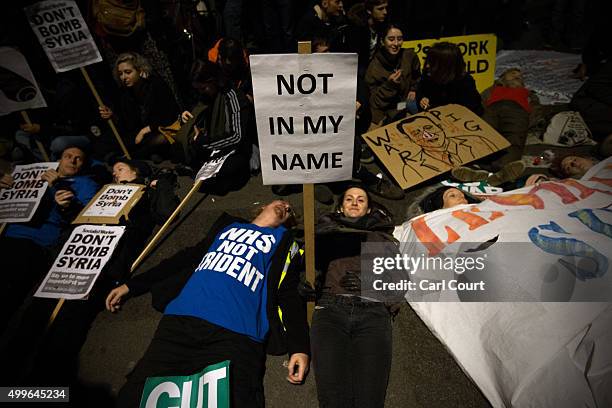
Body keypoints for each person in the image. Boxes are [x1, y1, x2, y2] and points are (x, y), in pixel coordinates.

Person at [105, 200, 310, 407]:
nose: (285, 206)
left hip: (235, 334)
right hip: (180, 324)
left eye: (289, 211)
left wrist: (299, 348)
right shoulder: (229, 227)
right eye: (282, 203)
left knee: (230, 399)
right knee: (139, 396)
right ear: (263, 206)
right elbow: (184, 259)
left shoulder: (283, 241)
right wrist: (132, 286)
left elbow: (288, 294)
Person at [0, 159, 179, 391]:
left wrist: (160, 182)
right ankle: (7, 383)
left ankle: (41, 392)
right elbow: (82, 219)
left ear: (137, 172)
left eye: (121, 169)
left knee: (64, 333)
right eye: (113, 171)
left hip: (100, 265)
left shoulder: (146, 193)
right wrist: (66, 205)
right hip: (68, 261)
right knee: (32, 321)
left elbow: (167, 212)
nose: (115, 174)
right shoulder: (103, 193)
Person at [311, 185, 397, 407]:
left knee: (370, 397)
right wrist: (307, 288)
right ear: (340, 207)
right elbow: (309, 270)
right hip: (330, 310)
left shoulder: (382, 238)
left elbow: (400, 280)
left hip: (373, 313)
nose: (355, 202)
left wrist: (370, 284)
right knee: (332, 397)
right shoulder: (323, 236)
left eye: (361, 199)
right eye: (349, 198)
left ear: (369, 209)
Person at [0, 146, 98, 329]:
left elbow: (85, 217)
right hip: (8, 234)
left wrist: (61, 193)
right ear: (59, 160)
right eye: (68, 156)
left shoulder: (85, 183)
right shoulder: (36, 173)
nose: (72, 160)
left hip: (35, 243)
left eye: (79, 158)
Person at [176, 59, 253, 194]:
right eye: (198, 89)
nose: (202, 92)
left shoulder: (233, 96)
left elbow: (236, 136)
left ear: (214, 81)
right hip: (210, 142)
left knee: (230, 168)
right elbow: (197, 113)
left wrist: (203, 142)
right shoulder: (205, 95)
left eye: (204, 88)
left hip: (233, 148)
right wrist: (186, 116)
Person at [98, 52, 180, 162]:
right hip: (138, 134)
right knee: (107, 140)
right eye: (120, 74)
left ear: (140, 71)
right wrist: (113, 116)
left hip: (161, 128)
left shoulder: (156, 85)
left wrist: (145, 130)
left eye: (128, 72)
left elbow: (169, 115)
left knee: (156, 141)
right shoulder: (126, 93)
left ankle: (136, 156)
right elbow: (128, 124)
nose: (124, 77)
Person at [365, 23, 420, 127]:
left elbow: (417, 76)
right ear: (382, 41)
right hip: (384, 111)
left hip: (405, 105)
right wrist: (389, 86)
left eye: (399, 39)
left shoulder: (409, 56)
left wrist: (414, 88)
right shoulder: (374, 66)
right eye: (391, 39)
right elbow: (374, 102)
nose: (396, 43)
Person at [416, 41, 483, 116]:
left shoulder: (465, 82)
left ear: (446, 66)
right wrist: (421, 99)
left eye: (433, 63)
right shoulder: (428, 74)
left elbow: (473, 111)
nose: (427, 66)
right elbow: (420, 90)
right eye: (428, 61)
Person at [346, 0, 389, 76]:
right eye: (380, 9)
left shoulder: (381, 26)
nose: (385, 12)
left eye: (386, 8)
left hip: (371, 67)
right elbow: (355, 59)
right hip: (355, 70)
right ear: (369, 11)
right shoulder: (357, 29)